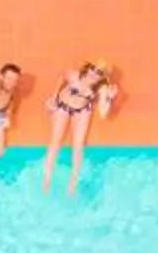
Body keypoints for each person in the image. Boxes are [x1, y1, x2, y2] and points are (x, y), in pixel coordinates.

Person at [41, 61, 120, 197]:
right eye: (93, 68)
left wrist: (110, 98)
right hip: (63, 106)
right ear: (88, 68)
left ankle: (73, 182)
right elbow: (62, 76)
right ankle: (47, 178)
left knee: (78, 146)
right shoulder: (75, 75)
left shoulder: (102, 88)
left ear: (103, 78)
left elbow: (103, 113)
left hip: (82, 111)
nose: (94, 73)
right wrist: (54, 96)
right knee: (56, 141)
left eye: (99, 73)